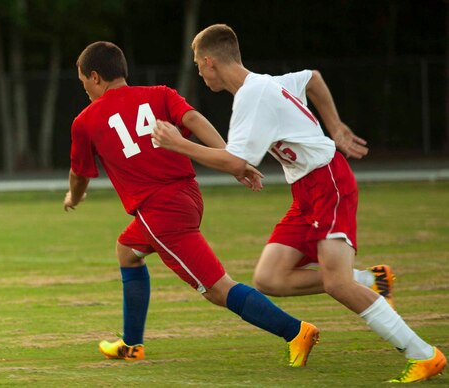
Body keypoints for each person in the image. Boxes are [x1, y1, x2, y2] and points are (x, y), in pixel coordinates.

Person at [150, 23, 446, 383]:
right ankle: (367, 280)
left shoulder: (251, 95)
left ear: (210, 61)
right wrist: (333, 127)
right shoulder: (264, 83)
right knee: (269, 277)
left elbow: (234, 161)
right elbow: (313, 79)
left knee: (338, 285)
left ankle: (424, 354)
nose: (198, 71)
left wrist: (177, 143)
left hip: (328, 184)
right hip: (306, 191)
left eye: (198, 64)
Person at [64, 40, 320, 368]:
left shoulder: (85, 121)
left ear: (95, 77)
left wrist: (74, 195)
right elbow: (195, 120)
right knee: (127, 251)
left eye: (83, 79)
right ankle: (131, 345)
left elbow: (79, 173)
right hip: (188, 197)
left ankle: (296, 331)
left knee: (217, 289)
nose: (83, 86)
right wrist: (232, 158)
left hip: (161, 213)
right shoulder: (160, 93)